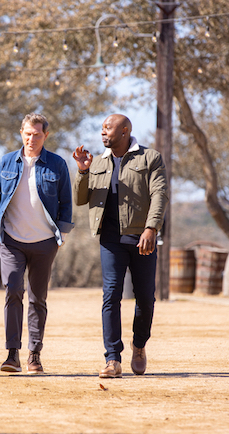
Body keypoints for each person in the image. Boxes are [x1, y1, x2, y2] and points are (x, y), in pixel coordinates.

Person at [72, 114, 168, 378]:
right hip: (110, 239)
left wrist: (151, 228)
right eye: (102, 128)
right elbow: (80, 199)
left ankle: (139, 345)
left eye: (108, 128)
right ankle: (112, 358)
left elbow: (159, 194)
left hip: (141, 239)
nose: (103, 132)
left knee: (145, 298)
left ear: (124, 131)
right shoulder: (97, 162)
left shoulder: (150, 158)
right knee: (111, 296)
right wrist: (83, 171)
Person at [0, 113, 73, 374]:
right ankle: (12, 354)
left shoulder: (57, 164)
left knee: (38, 298)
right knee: (13, 289)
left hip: (45, 242)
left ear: (45, 135)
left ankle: (34, 354)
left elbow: (66, 203)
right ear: (21, 133)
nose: (31, 139)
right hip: (11, 240)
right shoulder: (6, 162)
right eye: (27, 133)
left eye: (36, 134)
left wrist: (61, 236)